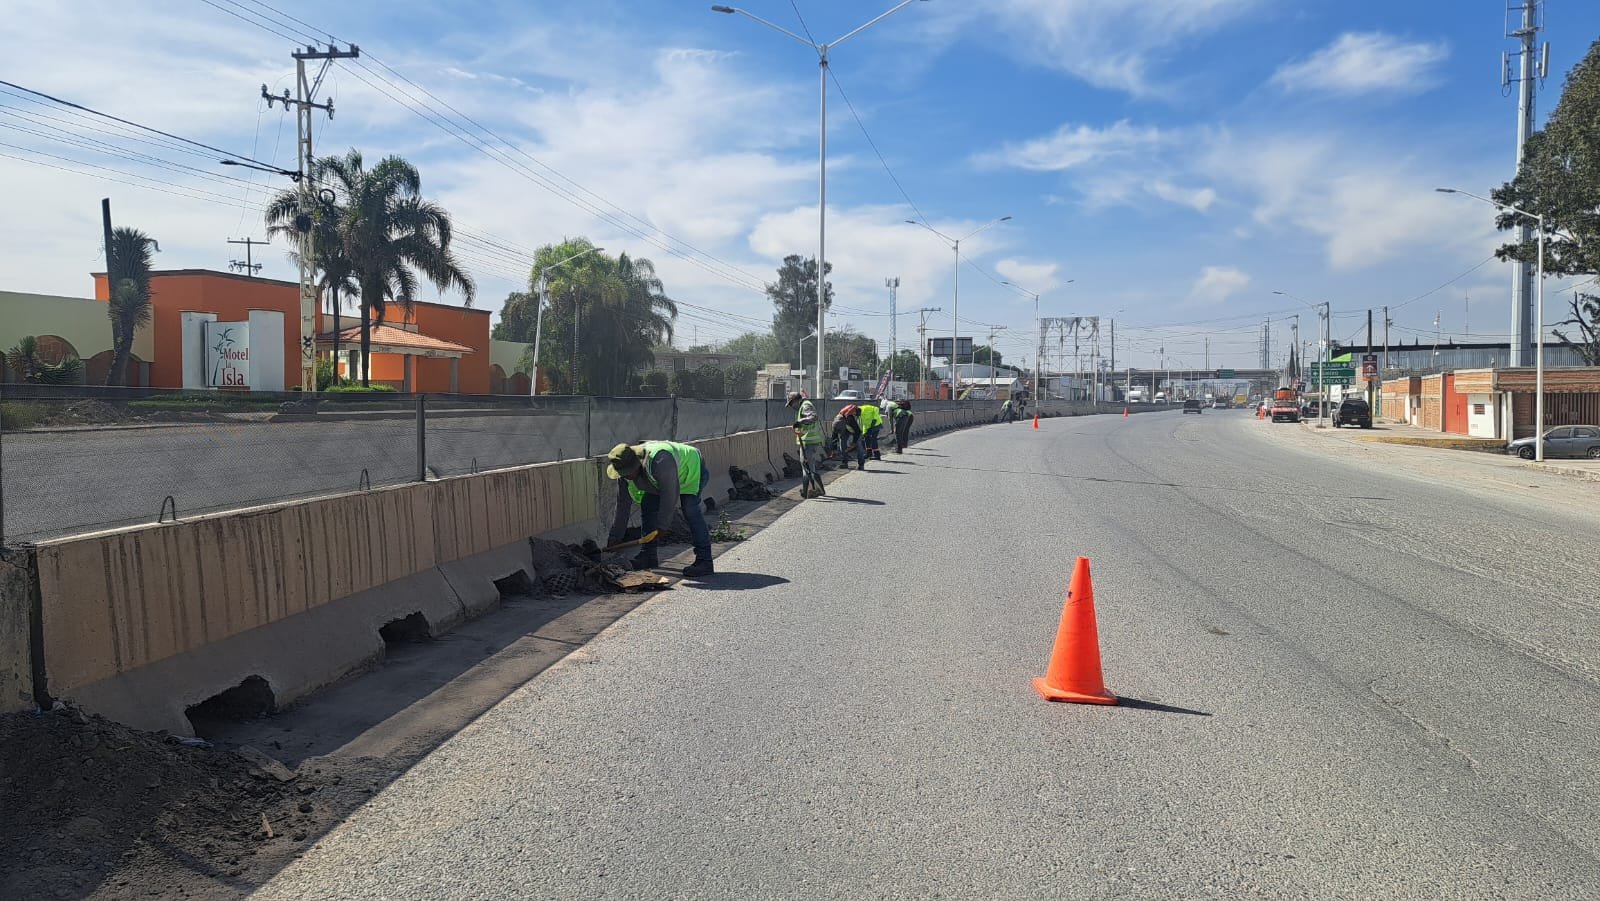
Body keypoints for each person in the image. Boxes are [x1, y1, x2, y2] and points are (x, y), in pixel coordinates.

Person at [605, 441, 714, 577]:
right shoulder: (623, 471)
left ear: (637, 465)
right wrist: (615, 537)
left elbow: (669, 496)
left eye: (628, 473)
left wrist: (662, 526)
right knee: (648, 505)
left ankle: (705, 561)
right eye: (623, 473)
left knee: (690, 510)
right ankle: (648, 556)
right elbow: (623, 505)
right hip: (662, 479)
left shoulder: (660, 461)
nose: (626, 476)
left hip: (691, 469)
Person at [786, 392, 825, 497]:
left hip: (809, 441)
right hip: (808, 441)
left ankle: (812, 490)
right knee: (808, 466)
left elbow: (813, 417)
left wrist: (800, 421)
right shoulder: (801, 408)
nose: (791, 407)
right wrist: (798, 426)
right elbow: (802, 426)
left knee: (807, 467)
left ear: (796, 400)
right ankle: (813, 489)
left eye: (791, 404)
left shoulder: (805, 405)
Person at [832, 404, 865, 469]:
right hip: (846, 428)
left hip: (856, 430)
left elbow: (858, 432)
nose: (840, 433)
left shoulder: (851, 419)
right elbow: (834, 437)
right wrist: (834, 449)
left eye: (840, 431)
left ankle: (861, 464)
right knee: (842, 443)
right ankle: (844, 463)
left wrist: (853, 443)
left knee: (858, 445)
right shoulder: (836, 423)